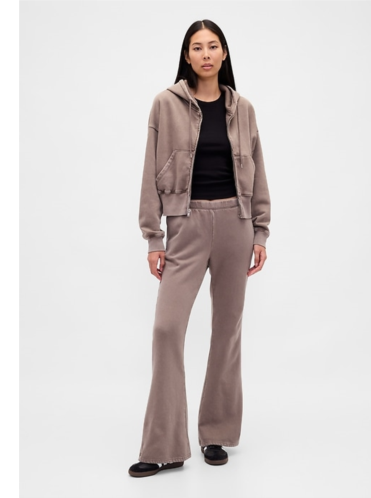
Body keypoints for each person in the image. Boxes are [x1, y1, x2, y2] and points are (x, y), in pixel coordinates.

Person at [128, 19, 271, 478]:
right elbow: (149, 171)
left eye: (213, 46)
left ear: (224, 53)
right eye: (197, 47)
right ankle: (165, 445)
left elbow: (258, 169)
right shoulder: (165, 104)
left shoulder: (243, 108)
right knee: (166, 329)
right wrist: (153, 237)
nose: (205, 54)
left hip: (235, 224)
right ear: (186, 56)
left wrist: (261, 231)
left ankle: (216, 434)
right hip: (185, 225)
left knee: (227, 331)